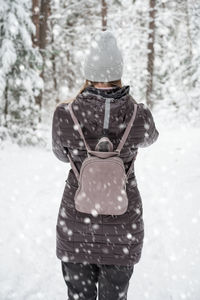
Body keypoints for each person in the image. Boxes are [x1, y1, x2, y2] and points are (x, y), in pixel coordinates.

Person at [52, 30, 159, 300]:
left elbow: (61, 155)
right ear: (118, 70)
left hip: (76, 224)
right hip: (122, 229)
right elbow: (151, 139)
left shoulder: (65, 114)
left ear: (88, 70)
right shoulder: (139, 114)